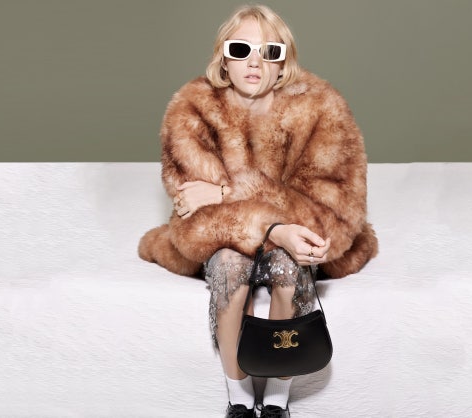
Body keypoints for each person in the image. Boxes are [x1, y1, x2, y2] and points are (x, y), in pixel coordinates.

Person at [138, 4, 378, 417]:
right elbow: (196, 224)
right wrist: (274, 226)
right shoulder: (193, 111)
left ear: (283, 63)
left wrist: (226, 193)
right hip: (230, 245)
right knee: (230, 266)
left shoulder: (321, 108)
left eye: (270, 52)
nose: (254, 62)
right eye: (241, 49)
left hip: (291, 243)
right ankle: (239, 397)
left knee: (287, 265)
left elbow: (336, 213)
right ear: (223, 58)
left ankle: (277, 402)